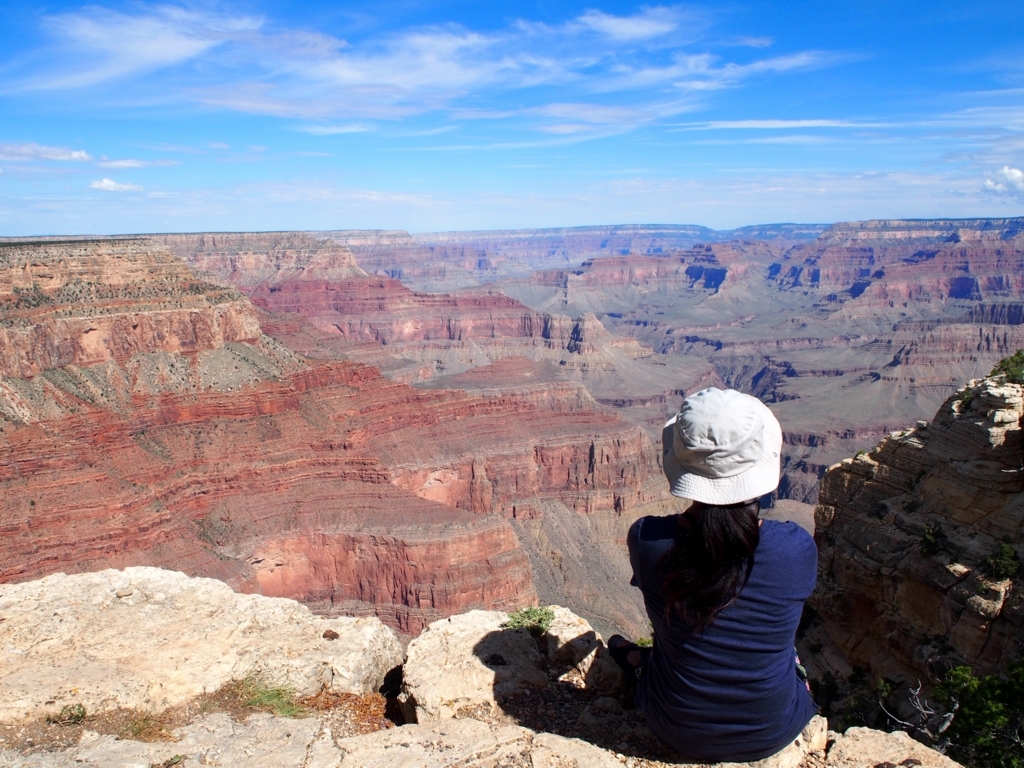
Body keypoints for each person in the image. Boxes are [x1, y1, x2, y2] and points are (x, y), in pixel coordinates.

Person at [608, 387, 818, 763]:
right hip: (772, 732)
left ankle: (643, 662)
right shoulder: (796, 549)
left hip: (674, 726)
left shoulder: (648, 540)